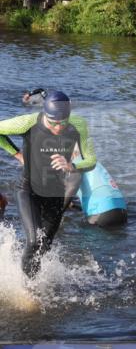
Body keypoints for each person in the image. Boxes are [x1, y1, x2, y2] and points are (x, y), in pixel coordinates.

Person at [0, 90, 96, 278]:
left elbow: (91, 160)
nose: (58, 128)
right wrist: (17, 154)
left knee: (46, 245)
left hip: (55, 193)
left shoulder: (79, 125)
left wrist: (71, 165)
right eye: (53, 122)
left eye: (63, 122)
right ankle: (27, 290)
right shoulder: (28, 122)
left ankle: (32, 280)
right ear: (44, 114)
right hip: (28, 189)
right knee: (34, 241)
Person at [21, 88, 127, 228]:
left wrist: (57, 214)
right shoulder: (90, 162)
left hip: (101, 213)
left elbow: (72, 185)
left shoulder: (74, 163)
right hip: (121, 209)